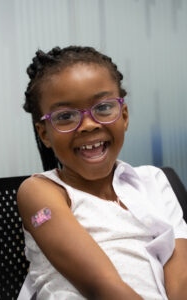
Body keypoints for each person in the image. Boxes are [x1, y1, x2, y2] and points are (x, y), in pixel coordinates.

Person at [17, 46, 187, 300]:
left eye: (104, 108)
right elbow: (103, 287)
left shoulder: (154, 181)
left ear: (124, 115)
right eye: (65, 116)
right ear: (44, 134)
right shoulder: (40, 193)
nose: (88, 125)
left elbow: (181, 277)